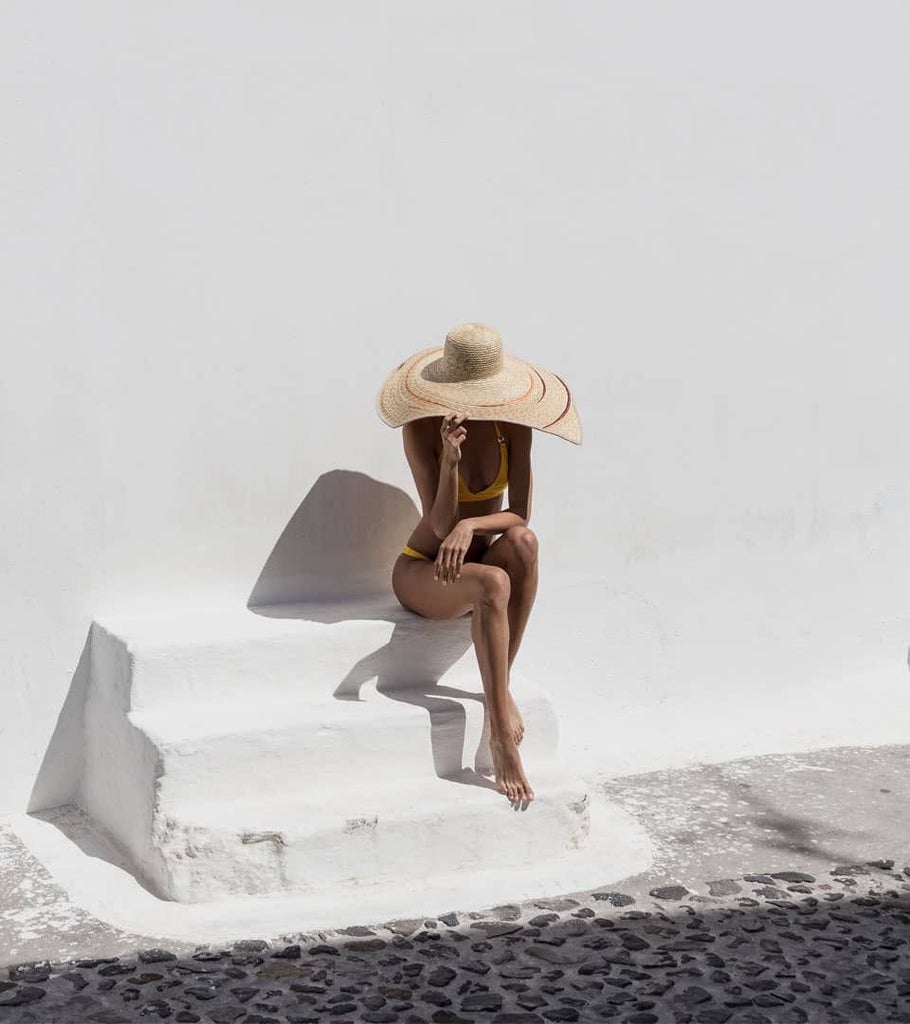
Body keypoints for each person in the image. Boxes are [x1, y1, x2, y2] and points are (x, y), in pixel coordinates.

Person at [376, 323, 581, 804]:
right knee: (491, 581)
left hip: (474, 554)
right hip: (423, 571)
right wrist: (449, 461)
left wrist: (474, 528)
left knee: (524, 543)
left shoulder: (514, 426)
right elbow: (441, 523)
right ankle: (501, 739)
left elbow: (519, 513)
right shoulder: (422, 428)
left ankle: (499, 693)